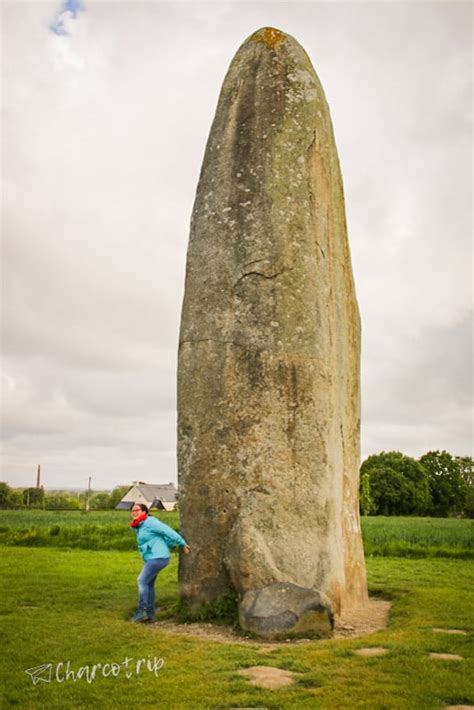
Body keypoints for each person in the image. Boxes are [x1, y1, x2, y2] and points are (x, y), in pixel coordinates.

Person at [129, 502, 190, 622]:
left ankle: (141, 612)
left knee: (141, 580)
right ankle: (150, 615)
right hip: (153, 558)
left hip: (158, 557)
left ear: (145, 512)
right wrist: (171, 544)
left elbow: (166, 531)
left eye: (137, 510)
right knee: (149, 584)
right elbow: (160, 537)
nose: (134, 512)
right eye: (132, 511)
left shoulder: (150, 522)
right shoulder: (140, 525)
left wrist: (182, 543)